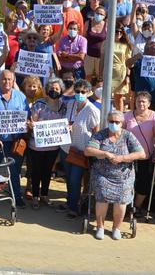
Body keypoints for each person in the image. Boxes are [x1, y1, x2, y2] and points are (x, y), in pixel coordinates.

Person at [85, 110, 144, 240]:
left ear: (122, 123)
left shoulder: (128, 136)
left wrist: (122, 158)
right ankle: (100, 227)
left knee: (122, 199)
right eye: (111, 121)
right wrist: (105, 154)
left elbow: (141, 153)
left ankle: (116, 228)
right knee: (102, 196)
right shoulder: (100, 135)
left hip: (123, 175)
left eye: (117, 122)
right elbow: (88, 151)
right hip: (103, 174)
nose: (114, 124)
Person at [0, 70, 29, 207]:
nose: (7, 82)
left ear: (13, 81)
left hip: (15, 141)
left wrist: (27, 123)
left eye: (9, 79)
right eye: (4, 79)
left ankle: (16, 196)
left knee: (15, 171)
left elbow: (27, 116)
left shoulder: (21, 97)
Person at [27, 79, 67, 210]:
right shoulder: (39, 104)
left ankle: (44, 194)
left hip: (53, 147)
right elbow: (32, 122)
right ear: (47, 89)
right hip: (36, 146)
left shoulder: (63, 106)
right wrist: (31, 125)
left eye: (57, 89)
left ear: (61, 91)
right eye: (52, 88)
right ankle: (35, 196)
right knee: (36, 171)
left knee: (47, 171)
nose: (54, 91)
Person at [61, 79, 99, 218]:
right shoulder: (70, 104)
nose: (80, 94)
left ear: (89, 93)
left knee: (75, 179)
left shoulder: (92, 110)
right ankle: (71, 202)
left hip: (81, 151)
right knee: (68, 178)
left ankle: (74, 208)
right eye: (77, 91)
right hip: (65, 148)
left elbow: (96, 131)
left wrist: (92, 150)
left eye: (83, 92)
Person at [122, 92, 155, 219]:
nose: (141, 103)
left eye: (144, 101)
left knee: (144, 183)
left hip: (145, 156)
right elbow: (120, 134)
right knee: (128, 182)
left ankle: (136, 207)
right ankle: (126, 206)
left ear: (149, 103)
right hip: (128, 156)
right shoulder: (127, 116)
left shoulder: (154, 116)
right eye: (139, 101)